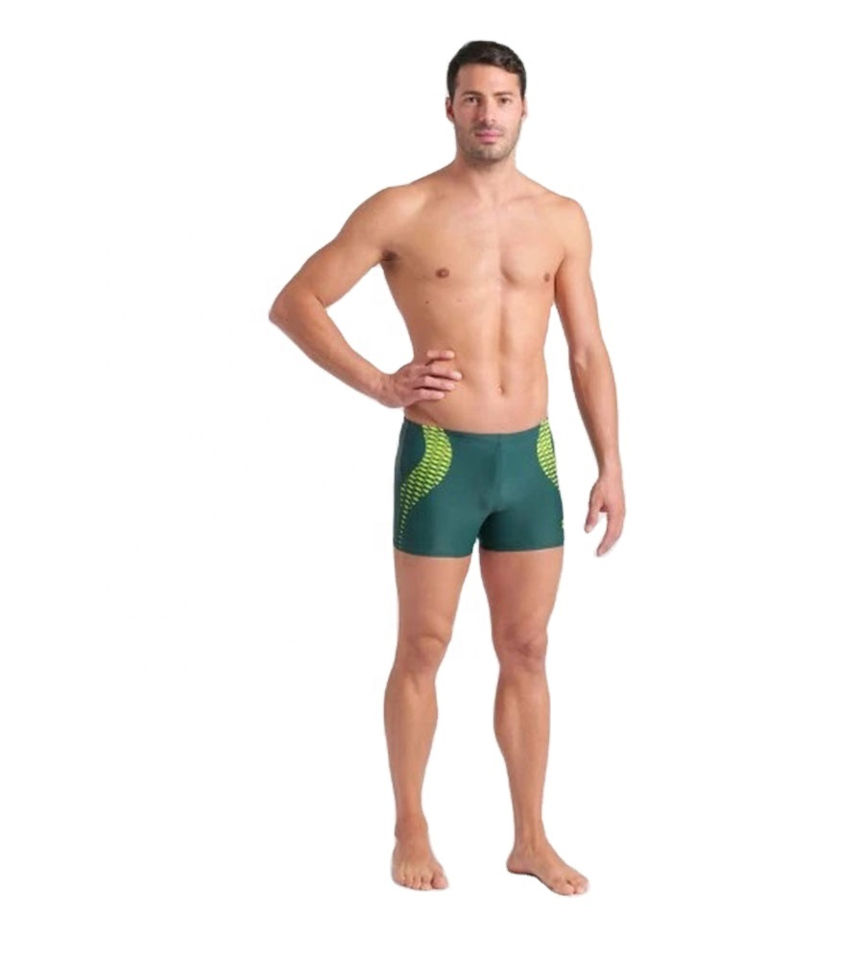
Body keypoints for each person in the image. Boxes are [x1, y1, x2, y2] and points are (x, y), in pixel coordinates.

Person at [268, 39, 624, 895]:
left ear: (524, 108)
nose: (487, 114)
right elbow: (295, 302)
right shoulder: (404, 208)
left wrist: (611, 463)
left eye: (502, 99)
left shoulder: (562, 217)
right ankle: (411, 827)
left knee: (528, 648)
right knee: (423, 645)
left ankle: (530, 839)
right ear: (450, 108)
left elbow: (585, 351)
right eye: (472, 98)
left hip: (530, 459)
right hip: (439, 459)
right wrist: (381, 384)